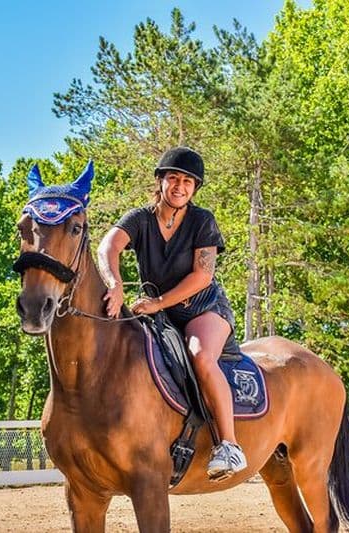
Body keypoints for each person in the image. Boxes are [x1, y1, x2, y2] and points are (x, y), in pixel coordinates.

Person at [97, 146, 247, 479]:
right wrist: (114, 283)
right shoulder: (139, 219)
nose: (180, 186)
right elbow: (108, 246)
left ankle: (229, 445)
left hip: (203, 307)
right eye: (173, 178)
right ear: (161, 181)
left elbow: (202, 275)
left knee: (201, 356)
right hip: (157, 314)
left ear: (194, 188)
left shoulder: (202, 220)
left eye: (187, 182)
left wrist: (159, 302)